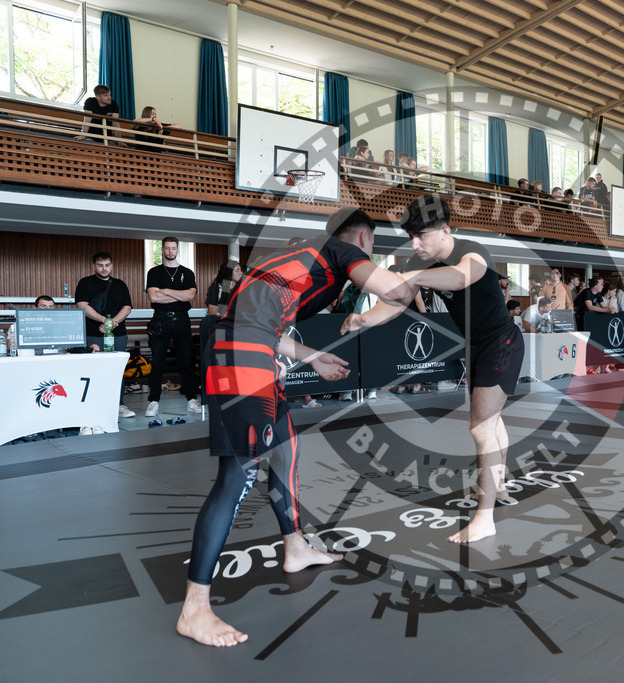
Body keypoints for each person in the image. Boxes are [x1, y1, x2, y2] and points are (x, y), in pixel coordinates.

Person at [177, 207, 413, 647]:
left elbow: (260, 320)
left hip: (250, 347)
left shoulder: (300, 254)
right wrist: (368, 315)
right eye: (370, 248)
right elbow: (397, 291)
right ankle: (194, 607)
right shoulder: (342, 250)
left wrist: (311, 357)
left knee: (286, 444)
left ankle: (296, 546)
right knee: (238, 476)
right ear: (362, 240)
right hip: (240, 356)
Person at [342, 194, 525, 544]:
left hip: (502, 342)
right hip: (476, 346)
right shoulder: (418, 261)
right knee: (492, 422)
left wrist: (414, 274)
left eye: (421, 236)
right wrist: (361, 320)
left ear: (444, 230)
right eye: (411, 237)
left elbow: (459, 278)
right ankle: (498, 486)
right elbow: (395, 303)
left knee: (481, 426)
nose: (415, 244)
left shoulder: (472, 252)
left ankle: (485, 518)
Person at [145, 236, 199, 417]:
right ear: (162, 250)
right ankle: (153, 402)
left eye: (173, 248)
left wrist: (166, 291)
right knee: (158, 361)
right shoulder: (154, 272)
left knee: (186, 361)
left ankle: (192, 400)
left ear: (177, 250)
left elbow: (191, 296)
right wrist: (179, 295)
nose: (170, 251)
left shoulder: (187, 272)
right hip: (160, 319)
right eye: (167, 248)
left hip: (182, 320)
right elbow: (154, 298)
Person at [75, 251, 134, 417]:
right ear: (94, 266)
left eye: (107, 265)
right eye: (100, 265)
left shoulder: (120, 284)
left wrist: (112, 323)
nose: (104, 268)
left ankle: (119, 404)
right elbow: (82, 305)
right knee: (92, 370)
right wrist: (105, 321)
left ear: (112, 265)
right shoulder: (85, 283)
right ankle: (93, 406)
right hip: (92, 334)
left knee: (117, 369)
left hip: (118, 334)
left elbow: (127, 307)